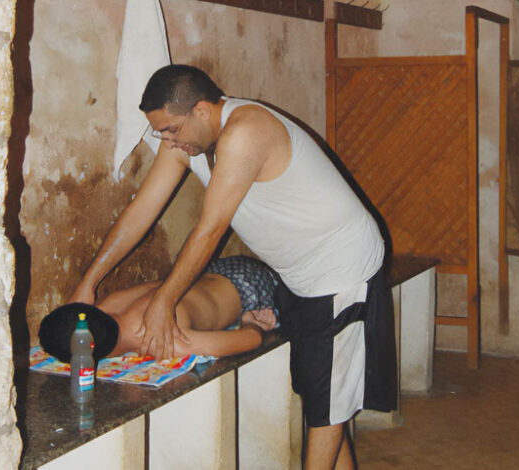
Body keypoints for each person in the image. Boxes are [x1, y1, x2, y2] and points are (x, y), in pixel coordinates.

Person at [69, 64, 396, 470]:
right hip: (298, 276)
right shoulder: (185, 142)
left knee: (327, 407)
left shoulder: (245, 132)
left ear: (202, 111)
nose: (168, 141)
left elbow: (210, 230)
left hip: (341, 268)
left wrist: (163, 302)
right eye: (161, 133)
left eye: (172, 130)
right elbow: (141, 212)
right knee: (320, 396)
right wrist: (89, 282)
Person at [41, 256, 280, 360]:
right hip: (218, 269)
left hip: (255, 287)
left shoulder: (163, 339)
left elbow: (251, 339)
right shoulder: (109, 304)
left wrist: (249, 322)